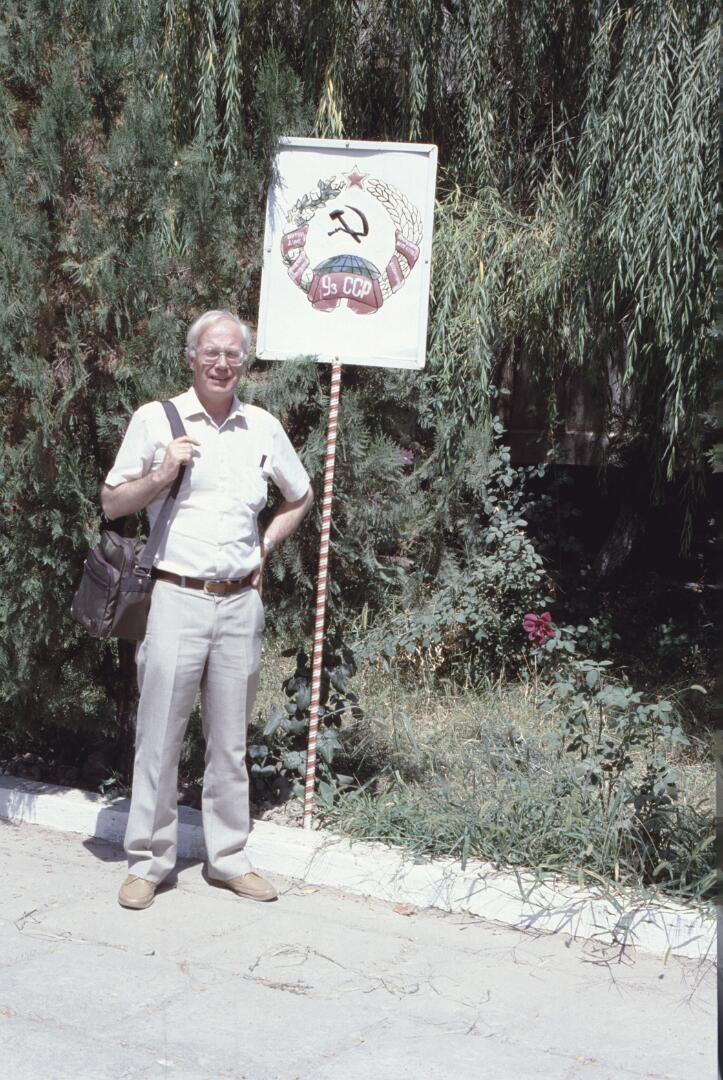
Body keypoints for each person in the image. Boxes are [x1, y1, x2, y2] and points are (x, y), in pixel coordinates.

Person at [101, 310, 314, 910]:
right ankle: (148, 862)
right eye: (211, 353)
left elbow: (300, 496)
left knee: (230, 742)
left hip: (240, 604)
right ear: (191, 357)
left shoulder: (262, 427)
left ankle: (228, 859)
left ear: (245, 362)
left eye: (233, 354)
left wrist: (264, 547)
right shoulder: (156, 420)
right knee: (158, 739)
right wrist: (163, 471)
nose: (222, 364)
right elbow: (112, 502)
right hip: (173, 598)